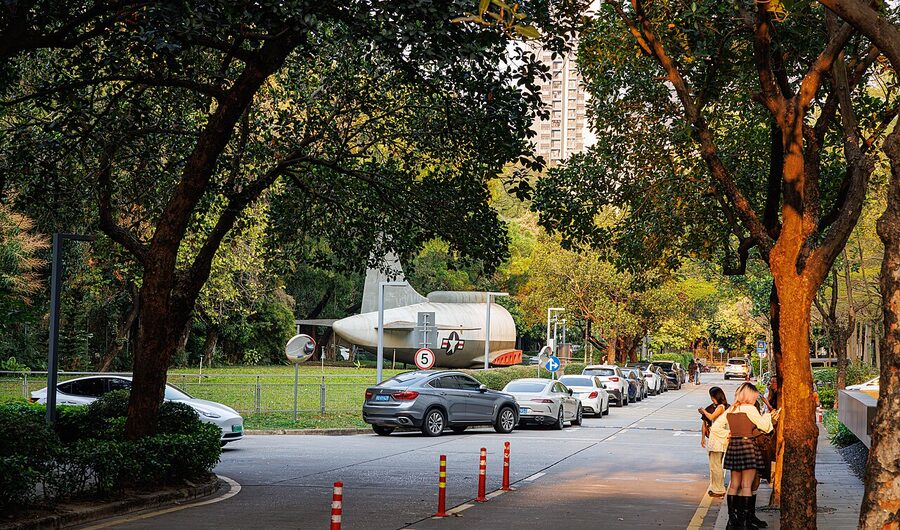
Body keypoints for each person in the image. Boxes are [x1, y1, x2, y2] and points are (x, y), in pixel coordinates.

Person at [724, 382, 780, 530]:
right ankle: (745, 523)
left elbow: (723, 426)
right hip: (747, 445)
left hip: (733, 446)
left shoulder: (732, 409)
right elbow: (764, 426)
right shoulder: (750, 409)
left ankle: (732, 519)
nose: (755, 400)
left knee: (734, 484)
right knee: (746, 485)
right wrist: (770, 415)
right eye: (754, 397)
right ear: (749, 395)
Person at [699, 386, 729, 497]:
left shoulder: (721, 407)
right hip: (715, 439)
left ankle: (719, 488)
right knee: (714, 465)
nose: (711, 399)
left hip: (718, 440)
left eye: (712, 396)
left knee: (716, 465)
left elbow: (711, 417)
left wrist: (703, 411)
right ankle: (715, 486)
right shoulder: (720, 407)